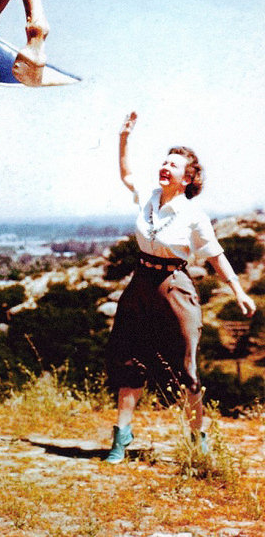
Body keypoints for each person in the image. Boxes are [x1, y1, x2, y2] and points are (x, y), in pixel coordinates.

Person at [104, 111, 256, 463]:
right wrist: (124, 138)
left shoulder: (193, 216)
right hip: (140, 285)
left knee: (186, 369)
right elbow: (126, 174)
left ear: (187, 178)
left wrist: (238, 290)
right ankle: (121, 437)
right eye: (164, 161)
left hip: (174, 288)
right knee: (130, 361)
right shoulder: (148, 196)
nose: (164, 167)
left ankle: (197, 438)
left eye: (173, 165)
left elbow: (216, 256)